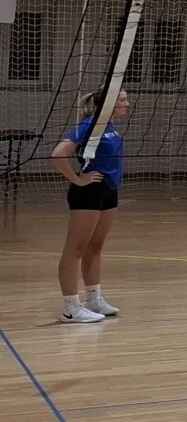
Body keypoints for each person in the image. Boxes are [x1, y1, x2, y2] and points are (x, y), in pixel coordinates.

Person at [51, 88, 129, 323]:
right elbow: (58, 154)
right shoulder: (90, 125)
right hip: (89, 191)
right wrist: (77, 180)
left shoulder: (110, 126)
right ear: (108, 103)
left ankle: (93, 299)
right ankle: (70, 309)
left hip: (108, 190)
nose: (127, 103)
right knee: (75, 249)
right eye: (122, 100)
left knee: (95, 247)